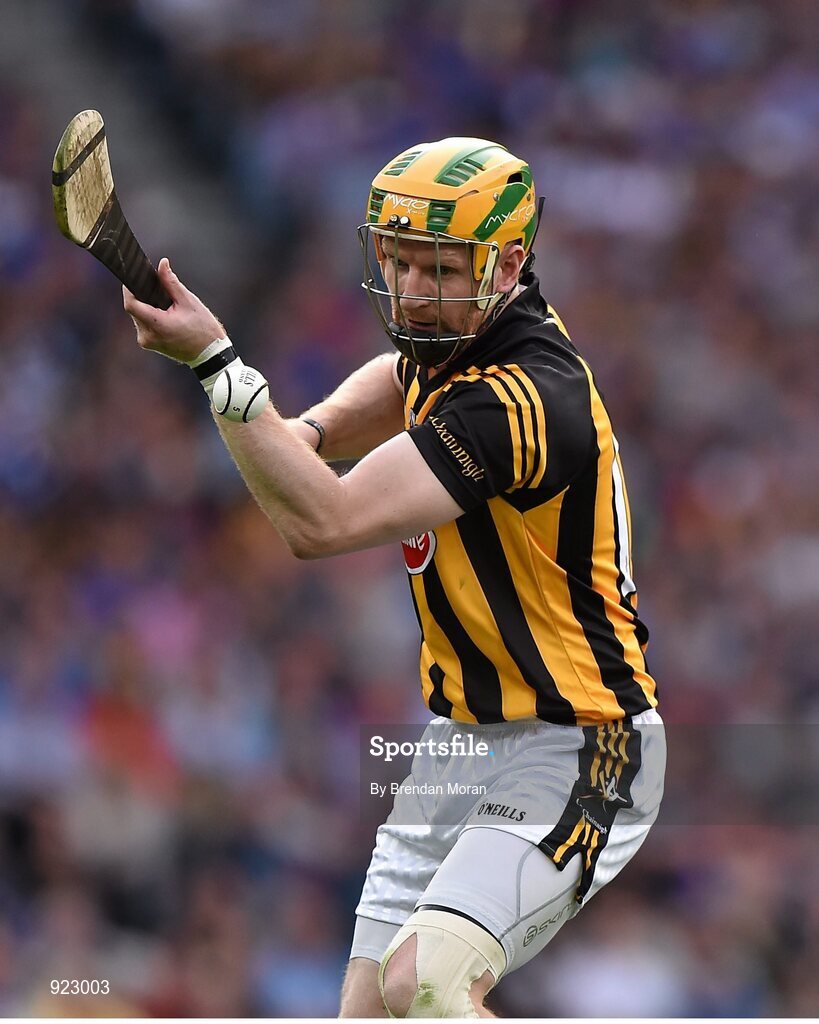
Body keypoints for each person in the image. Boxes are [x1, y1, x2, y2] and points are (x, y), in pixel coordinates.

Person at [124, 137, 666, 1019]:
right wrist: (307, 431)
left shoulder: (526, 400)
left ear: (510, 263)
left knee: (429, 983)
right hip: (454, 750)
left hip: (579, 744)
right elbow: (397, 379)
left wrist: (221, 369)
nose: (413, 290)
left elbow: (320, 524)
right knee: (370, 1012)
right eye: (401, 262)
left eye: (440, 269)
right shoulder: (459, 337)